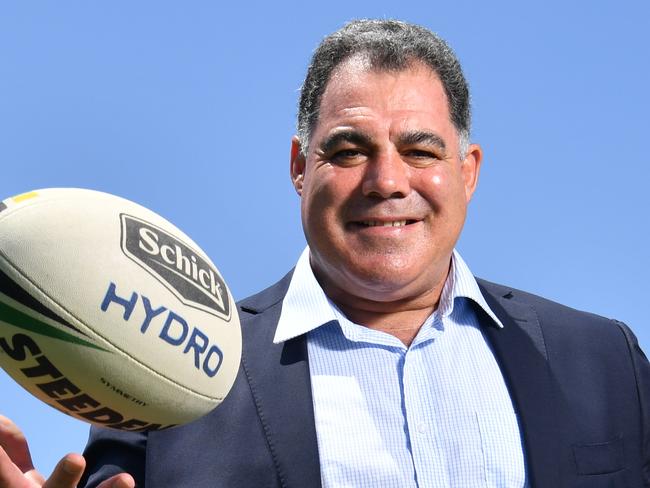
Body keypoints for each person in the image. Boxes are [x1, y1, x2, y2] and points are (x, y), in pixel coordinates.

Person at [1, 19, 649, 488]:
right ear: (299, 168)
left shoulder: (602, 360)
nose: (386, 180)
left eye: (421, 150)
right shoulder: (164, 380)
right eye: (347, 150)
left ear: (468, 171)